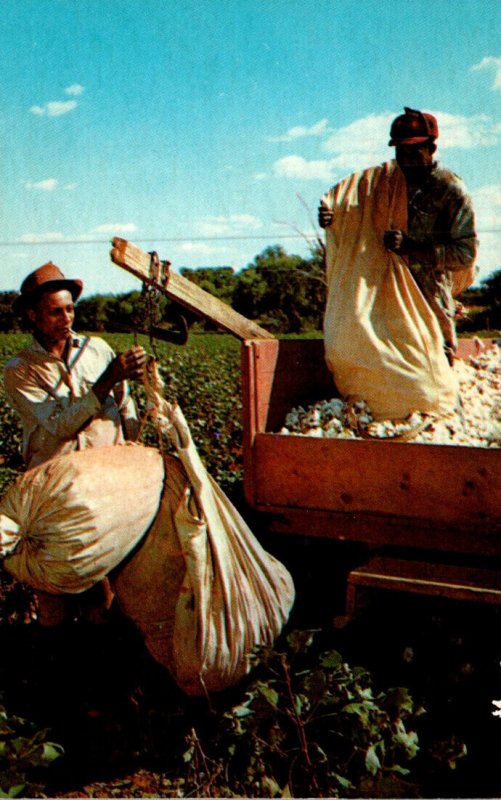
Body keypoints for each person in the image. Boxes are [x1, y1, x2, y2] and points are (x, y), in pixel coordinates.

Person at [3, 261, 149, 624]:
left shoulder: (97, 350)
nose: (66, 319)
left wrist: (136, 447)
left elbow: (126, 404)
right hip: (56, 489)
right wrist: (106, 380)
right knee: (55, 588)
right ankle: (56, 668)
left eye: (70, 309)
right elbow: (57, 426)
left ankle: (98, 660)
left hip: (104, 484)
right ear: (33, 316)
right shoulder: (20, 369)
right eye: (55, 312)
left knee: (103, 586)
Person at [319, 107, 477, 365]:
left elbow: (465, 255)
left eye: (414, 151)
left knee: (434, 368)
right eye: (400, 152)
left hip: (428, 296)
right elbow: (353, 208)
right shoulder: (384, 182)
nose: (406, 159)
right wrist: (332, 217)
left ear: (432, 149)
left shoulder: (450, 190)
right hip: (383, 297)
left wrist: (412, 247)